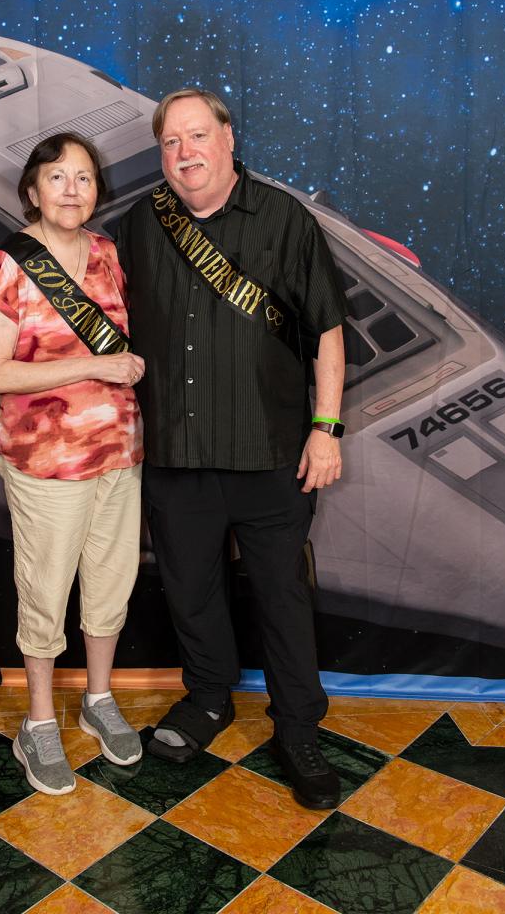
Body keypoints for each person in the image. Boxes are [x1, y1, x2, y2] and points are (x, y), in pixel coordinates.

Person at [115, 88, 347, 809]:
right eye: (170, 142)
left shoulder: (285, 219)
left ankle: (298, 729)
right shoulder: (140, 223)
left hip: (271, 452)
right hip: (176, 454)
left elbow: (327, 330)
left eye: (197, 136)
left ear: (227, 137)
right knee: (191, 592)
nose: (184, 153)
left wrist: (327, 427)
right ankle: (208, 700)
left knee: (282, 598)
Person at [0, 131, 145, 796]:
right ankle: (38, 723)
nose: (73, 190)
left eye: (84, 177)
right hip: (45, 461)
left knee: (110, 584)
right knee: (45, 591)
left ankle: (98, 699)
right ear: (33, 191)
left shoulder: (107, 254)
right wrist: (95, 365)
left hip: (118, 453)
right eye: (58, 177)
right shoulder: (9, 265)